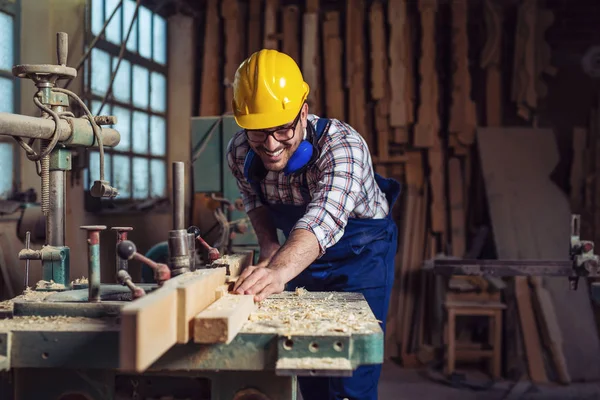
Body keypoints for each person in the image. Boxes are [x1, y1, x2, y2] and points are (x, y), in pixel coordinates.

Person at [226, 49, 400, 400]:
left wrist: (277, 272)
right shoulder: (241, 151)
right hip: (300, 257)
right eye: (259, 132)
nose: (271, 145)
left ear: (303, 112)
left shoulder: (343, 147)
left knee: (350, 372)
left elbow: (323, 220)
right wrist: (269, 249)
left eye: (282, 129)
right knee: (308, 361)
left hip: (361, 257)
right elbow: (255, 201)